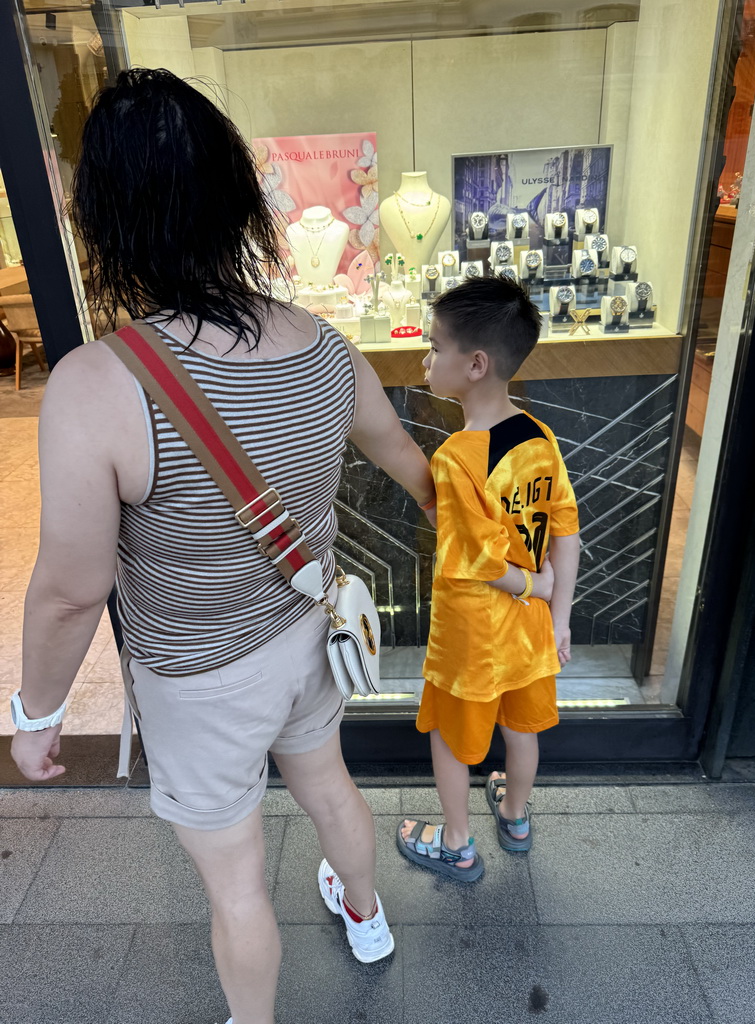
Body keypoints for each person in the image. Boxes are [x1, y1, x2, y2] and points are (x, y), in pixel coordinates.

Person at [10, 69, 437, 1024]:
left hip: (198, 679)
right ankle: (366, 916)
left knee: (237, 881)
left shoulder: (96, 384)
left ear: (107, 221)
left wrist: (34, 711)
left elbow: (73, 591)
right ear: (237, 197)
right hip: (309, 634)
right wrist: (496, 540)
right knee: (329, 786)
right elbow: (411, 461)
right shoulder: (328, 346)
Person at [398, 276, 580, 880]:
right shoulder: (540, 437)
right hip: (529, 631)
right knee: (521, 729)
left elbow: (473, 561)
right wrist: (557, 615)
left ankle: (456, 844)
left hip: (473, 634)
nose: (425, 359)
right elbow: (567, 530)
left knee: (452, 737)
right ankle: (516, 815)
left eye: (433, 347)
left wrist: (536, 588)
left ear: (475, 364)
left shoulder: (456, 458)